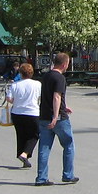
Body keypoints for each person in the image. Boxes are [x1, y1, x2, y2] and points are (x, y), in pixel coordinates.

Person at [35, 52, 77, 186]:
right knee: (68, 145)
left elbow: (47, 96)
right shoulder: (60, 78)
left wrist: (65, 106)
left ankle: (41, 177)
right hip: (58, 119)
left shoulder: (46, 76)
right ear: (64, 64)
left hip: (43, 116)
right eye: (68, 64)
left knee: (44, 147)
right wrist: (56, 115)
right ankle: (68, 175)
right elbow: (56, 96)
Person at [6, 62, 42, 168]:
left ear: (20, 73)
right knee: (34, 135)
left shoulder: (15, 85)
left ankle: (23, 158)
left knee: (21, 135)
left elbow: (9, 99)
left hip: (17, 113)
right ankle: (25, 154)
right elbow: (40, 97)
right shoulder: (37, 84)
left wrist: (17, 101)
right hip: (32, 113)